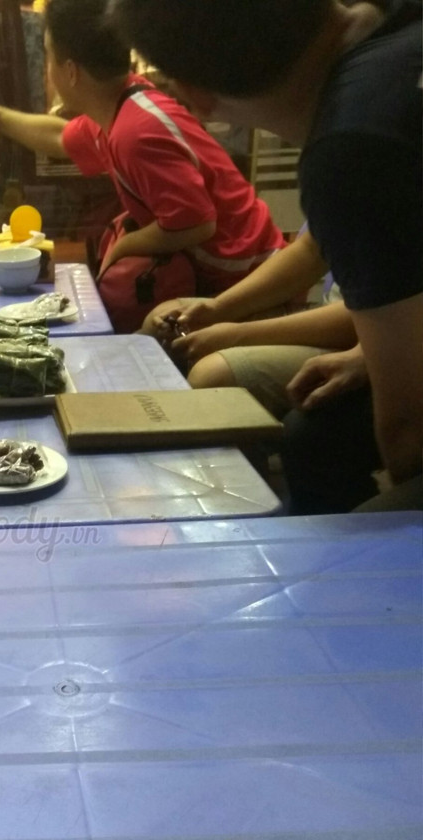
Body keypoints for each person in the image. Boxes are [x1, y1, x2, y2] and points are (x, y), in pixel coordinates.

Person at [112, 0, 422, 513]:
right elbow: (321, 249)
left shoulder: (352, 149)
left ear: (193, 96)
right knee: (315, 434)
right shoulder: (397, 27)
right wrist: (222, 311)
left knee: (366, 529)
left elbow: (409, 429)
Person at [0, 0, 285, 330]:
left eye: (48, 56)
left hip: (252, 276)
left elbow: (197, 223)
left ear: (70, 71)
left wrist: (124, 247)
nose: (47, 68)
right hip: (236, 269)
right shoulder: (123, 105)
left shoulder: (134, 132)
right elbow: (61, 137)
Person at [141, 228, 357, 420]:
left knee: (213, 376)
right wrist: (218, 309)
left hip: (366, 343)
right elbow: (310, 251)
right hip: (335, 311)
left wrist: (239, 335)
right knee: (158, 321)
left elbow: (367, 317)